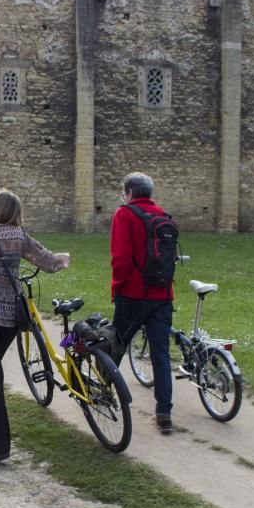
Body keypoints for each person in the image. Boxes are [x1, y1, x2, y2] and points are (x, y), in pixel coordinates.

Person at [0, 189, 70, 466]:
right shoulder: (19, 237)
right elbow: (48, 262)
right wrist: (63, 258)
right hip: (7, 316)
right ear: (16, 213)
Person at [110, 171, 175, 435]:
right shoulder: (163, 216)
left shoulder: (124, 214)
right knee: (161, 354)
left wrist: (116, 287)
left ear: (129, 193)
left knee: (115, 346)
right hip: (162, 296)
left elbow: (121, 259)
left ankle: (102, 392)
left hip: (132, 295)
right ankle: (164, 414)